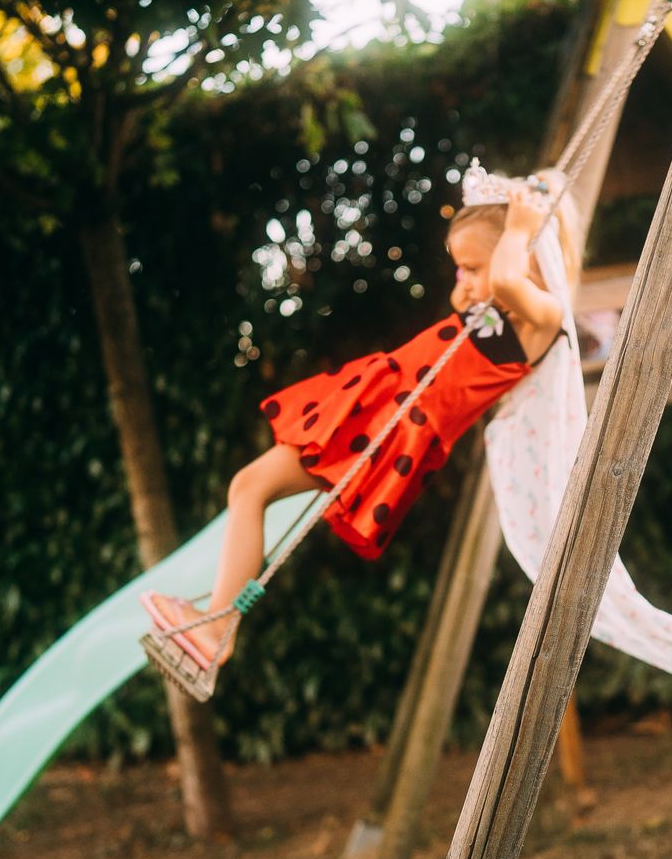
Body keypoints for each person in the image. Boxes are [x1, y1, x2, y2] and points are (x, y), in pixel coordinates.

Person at [141, 163, 578, 673]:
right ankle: (218, 622)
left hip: (389, 429)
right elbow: (485, 286)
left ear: (524, 255)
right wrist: (477, 273)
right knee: (248, 487)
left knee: (250, 487)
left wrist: (520, 230)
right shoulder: (494, 305)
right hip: (375, 404)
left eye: (474, 268)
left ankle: (218, 626)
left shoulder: (542, 318)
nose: (468, 282)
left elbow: (504, 279)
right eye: (462, 268)